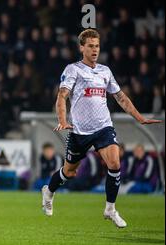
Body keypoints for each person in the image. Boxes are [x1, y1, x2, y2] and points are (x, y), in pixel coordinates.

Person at [41, 29, 162, 228]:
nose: (94, 49)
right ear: (82, 48)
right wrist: (62, 120)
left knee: (115, 163)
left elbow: (120, 97)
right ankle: (49, 191)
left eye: (97, 46)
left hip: (103, 127)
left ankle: (110, 209)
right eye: (90, 46)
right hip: (80, 131)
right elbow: (62, 96)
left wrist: (140, 118)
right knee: (69, 172)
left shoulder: (105, 71)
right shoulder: (73, 69)